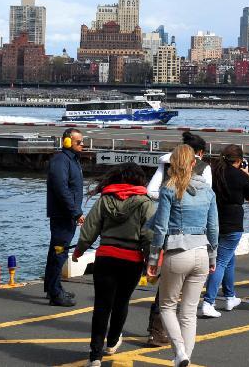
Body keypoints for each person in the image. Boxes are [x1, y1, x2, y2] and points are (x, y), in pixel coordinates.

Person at [72, 163, 155, 367]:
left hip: (106, 257)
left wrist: (79, 250)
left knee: (102, 305)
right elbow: (148, 235)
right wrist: (150, 261)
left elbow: (90, 228)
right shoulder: (145, 203)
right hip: (131, 260)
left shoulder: (105, 199)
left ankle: (95, 356)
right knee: (121, 302)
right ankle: (113, 341)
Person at [147, 144, 219, 367]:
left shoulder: (170, 188)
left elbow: (160, 228)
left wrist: (152, 258)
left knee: (168, 306)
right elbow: (214, 227)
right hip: (201, 253)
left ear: (173, 163)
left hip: (178, 251)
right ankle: (185, 357)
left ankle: (179, 352)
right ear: (194, 163)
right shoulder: (208, 190)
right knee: (189, 312)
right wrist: (213, 256)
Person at [200, 144, 249, 318]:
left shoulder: (215, 173)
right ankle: (208, 301)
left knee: (229, 259)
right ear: (239, 161)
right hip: (233, 223)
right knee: (221, 262)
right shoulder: (240, 175)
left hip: (215, 220)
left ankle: (230, 297)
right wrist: (246, 175)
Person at [44, 128, 86, 307]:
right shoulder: (61, 161)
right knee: (59, 254)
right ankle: (55, 294)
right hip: (63, 216)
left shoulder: (72, 160)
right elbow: (62, 189)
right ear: (68, 142)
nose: (82, 144)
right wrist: (76, 212)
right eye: (79, 142)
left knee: (56, 252)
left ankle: (53, 287)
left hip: (67, 215)